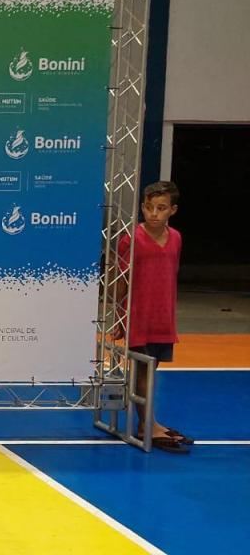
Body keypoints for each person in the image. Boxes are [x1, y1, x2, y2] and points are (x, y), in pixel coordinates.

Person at [114, 180, 192, 453]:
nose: (154, 213)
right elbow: (120, 281)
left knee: (152, 368)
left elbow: (171, 273)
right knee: (142, 370)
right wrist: (119, 317)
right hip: (138, 315)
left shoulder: (177, 238)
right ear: (142, 208)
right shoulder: (131, 239)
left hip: (163, 317)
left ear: (173, 210)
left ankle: (150, 422)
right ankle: (146, 425)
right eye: (149, 208)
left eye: (161, 208)